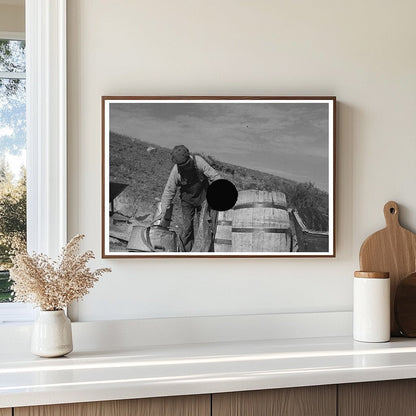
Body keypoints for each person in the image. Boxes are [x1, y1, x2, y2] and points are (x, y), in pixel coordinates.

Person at [160, 145, 220, 251]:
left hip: (203, 197)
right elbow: (169, 191)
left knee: (204, 226)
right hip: (187, 200)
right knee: (187, 228)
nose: (184, 167)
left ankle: (205, 252)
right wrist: (163, 212)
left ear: (189, 157)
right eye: (181, 166)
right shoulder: (176, 171)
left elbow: (215, 176)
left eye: (186, 164)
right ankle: (186, 253)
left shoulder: (199, 162)